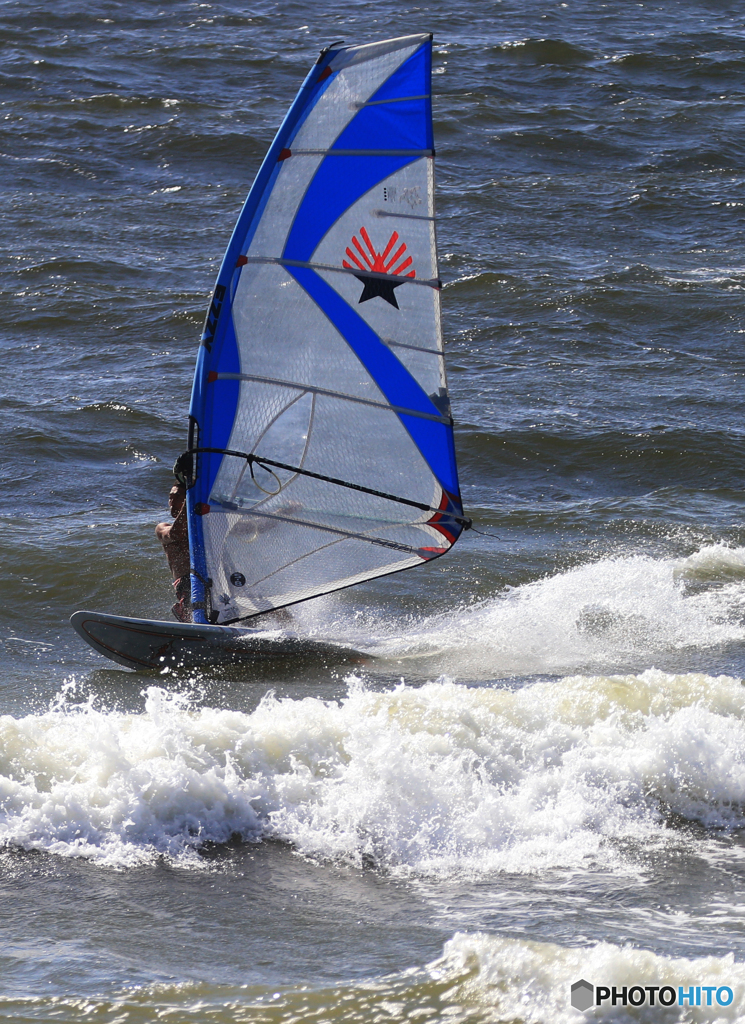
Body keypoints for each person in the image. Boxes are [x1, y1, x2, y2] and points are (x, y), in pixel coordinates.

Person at [156, 481, 192, 622]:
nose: (172, 502)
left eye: (177, 497)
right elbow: (176, 533)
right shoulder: (162, 528)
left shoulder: (202, 526)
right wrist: (190, 501)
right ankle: (185, 611)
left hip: (212, 579)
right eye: (171, 497)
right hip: (186, 582)